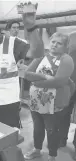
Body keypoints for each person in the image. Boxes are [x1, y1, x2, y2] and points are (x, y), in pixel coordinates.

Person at [19, 32, 74, 161]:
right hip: (35, 100)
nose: (54, 45)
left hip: (54, 102)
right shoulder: (41, 56)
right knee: (37, 127)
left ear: (65, 46)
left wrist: (36, 81)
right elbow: (27, 74)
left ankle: (52, 155)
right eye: (53, 42)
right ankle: (37, 150)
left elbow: (58, 81)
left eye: (59, 43)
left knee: (52, 130)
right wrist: (44, 77)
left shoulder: (66, 59)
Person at [58, 31, 76, 149]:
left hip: (69, 84)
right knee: (64, 113)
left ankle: (61, 140)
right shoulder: (72, 35)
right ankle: (61, 139)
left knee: (64, 113)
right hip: (69, 84)